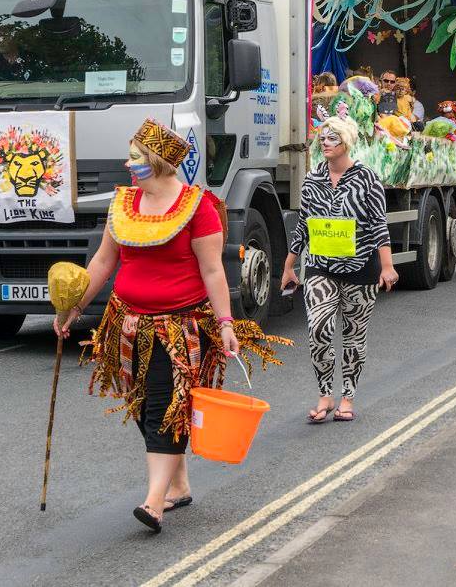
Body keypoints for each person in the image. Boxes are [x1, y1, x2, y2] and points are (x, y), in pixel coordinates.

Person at [55, 119, 287, 534]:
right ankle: (178, 485)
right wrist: (74, 307)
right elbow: (103, 262)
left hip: (179, 328)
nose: (128, 164)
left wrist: (227, 322)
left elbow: (213, 271)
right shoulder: (122, 204)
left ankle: (154, 501)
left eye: (136, 157)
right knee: (146, 408)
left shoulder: (198, 207)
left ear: (159, 162)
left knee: (165, 407)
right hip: (126, 325)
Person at [283, 115, 397, 424]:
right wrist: (289, 264)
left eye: (331, 138)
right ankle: (325, 394)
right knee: (318, 328)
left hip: (361, 268)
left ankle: (347, 396)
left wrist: (387, 266)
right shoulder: (312, 179)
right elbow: (303, 224)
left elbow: (378, 226)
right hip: (321, 267)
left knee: (353, 336)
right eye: (322, 139)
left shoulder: (367, 178)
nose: (325, 143)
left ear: (345, 142)